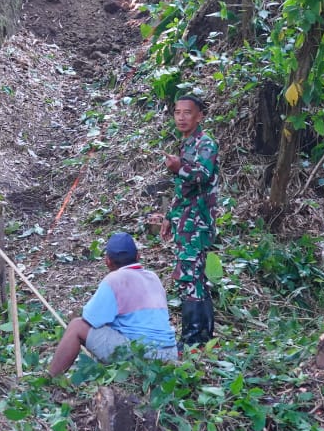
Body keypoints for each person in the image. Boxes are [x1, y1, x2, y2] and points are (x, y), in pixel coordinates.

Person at [48, 232, 177, 376]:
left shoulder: (114, 280)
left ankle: (50, 379)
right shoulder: (153, 277)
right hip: (170, 353)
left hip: (144, 355)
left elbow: (90, 319)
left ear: (107, 261)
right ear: (138, 256)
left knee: (76, 326)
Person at [152, 95, 220, 347]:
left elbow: (203, 174)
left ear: (199, 115)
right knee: (195, 277)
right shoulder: (187, 144)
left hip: (197, 222)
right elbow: (184, 190)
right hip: (185, 221)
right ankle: (202, 338)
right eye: (177, 112)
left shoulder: (205, 144)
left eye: (187, 112)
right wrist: (170, 216)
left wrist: (179, 167)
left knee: (189, 277)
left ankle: (191, 340)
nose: (181, 117)